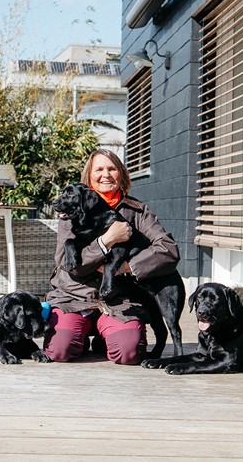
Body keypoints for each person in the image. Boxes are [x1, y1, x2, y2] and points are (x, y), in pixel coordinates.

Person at [43, 149, 180, 365]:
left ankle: (104, 338)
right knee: (60, 350)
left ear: (122, 175)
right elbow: (69, 264)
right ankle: (81, 336)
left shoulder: (137, 211)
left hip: (119, 300)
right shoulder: (72, 210)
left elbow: (168, 250)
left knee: (129, 353)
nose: (106, 174)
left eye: (112, 169)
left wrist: (127, 267)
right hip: (75, 298)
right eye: (99, 169)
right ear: (89, 177)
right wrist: (106, 241)